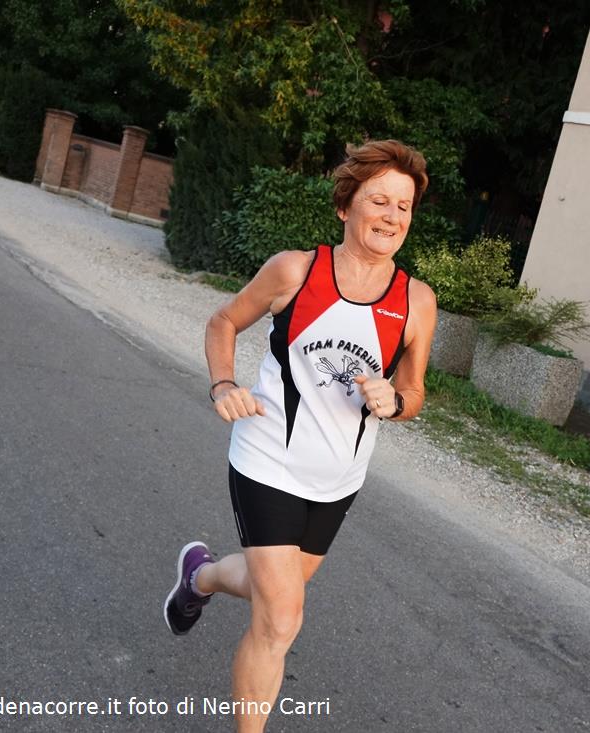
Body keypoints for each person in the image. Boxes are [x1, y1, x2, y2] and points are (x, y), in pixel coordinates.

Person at [163, 139, 437, 733]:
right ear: (345, 206)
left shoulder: (416, 301)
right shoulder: (295, 271)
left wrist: (395, 402)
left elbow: (414, 393)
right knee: (282, 618)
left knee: (270, 591)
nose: (392, 216)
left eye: (404, 206)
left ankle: (199, 577)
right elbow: (224, 321)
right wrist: (223, 384)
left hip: (339, 478)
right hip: (268, 460)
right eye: (379, 201)